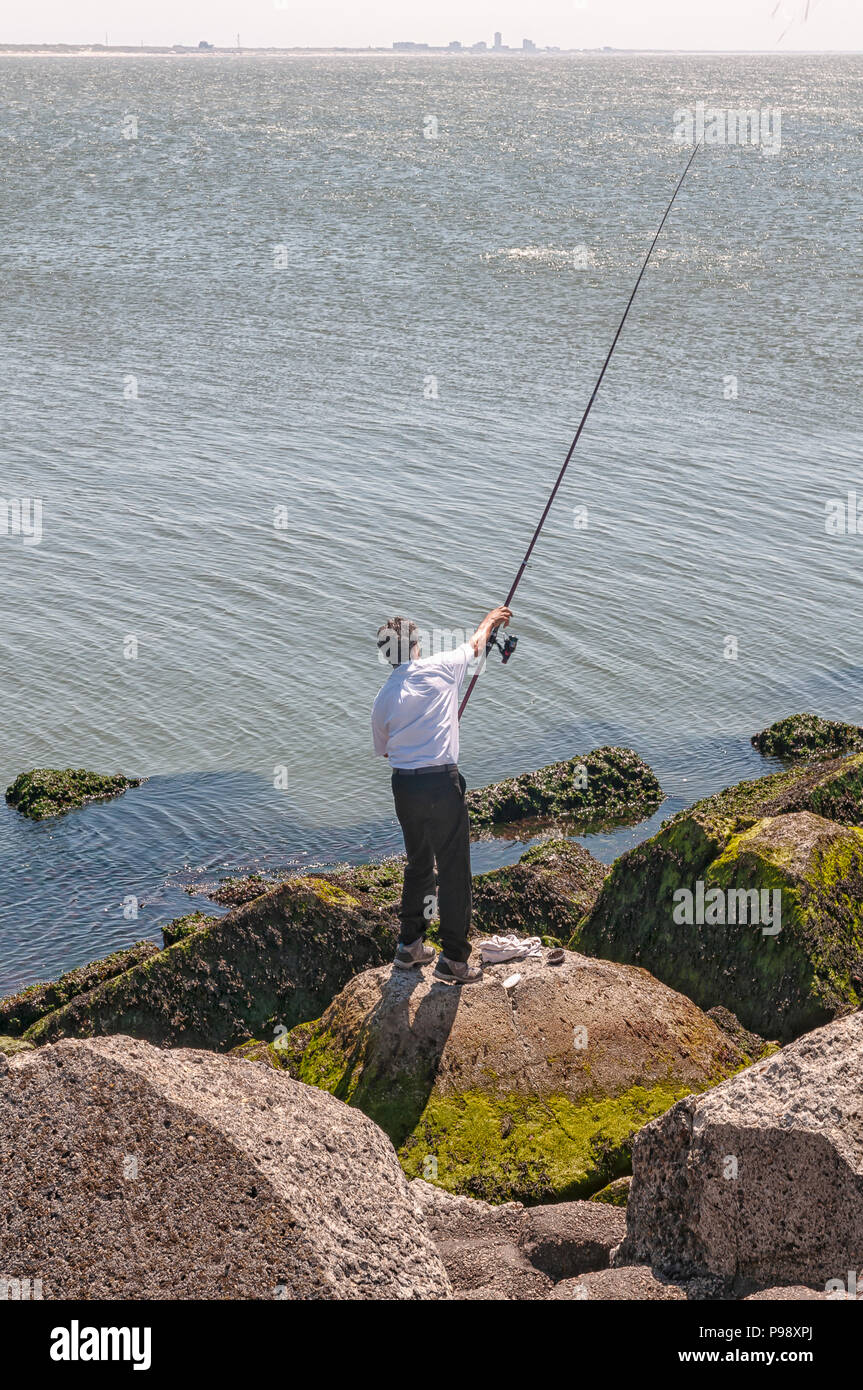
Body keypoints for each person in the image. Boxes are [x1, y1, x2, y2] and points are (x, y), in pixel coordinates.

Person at [371, 606, 512, 984]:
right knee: (453, 869)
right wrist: (489, 620)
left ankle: (409, 945)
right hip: (442, 783)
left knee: (418, 863)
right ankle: (453, 959)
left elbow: (384, 749)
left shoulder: (383, 698)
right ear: (417, 645)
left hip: (405, 786)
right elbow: (476, 644)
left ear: (386, 655)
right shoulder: (444, 666)